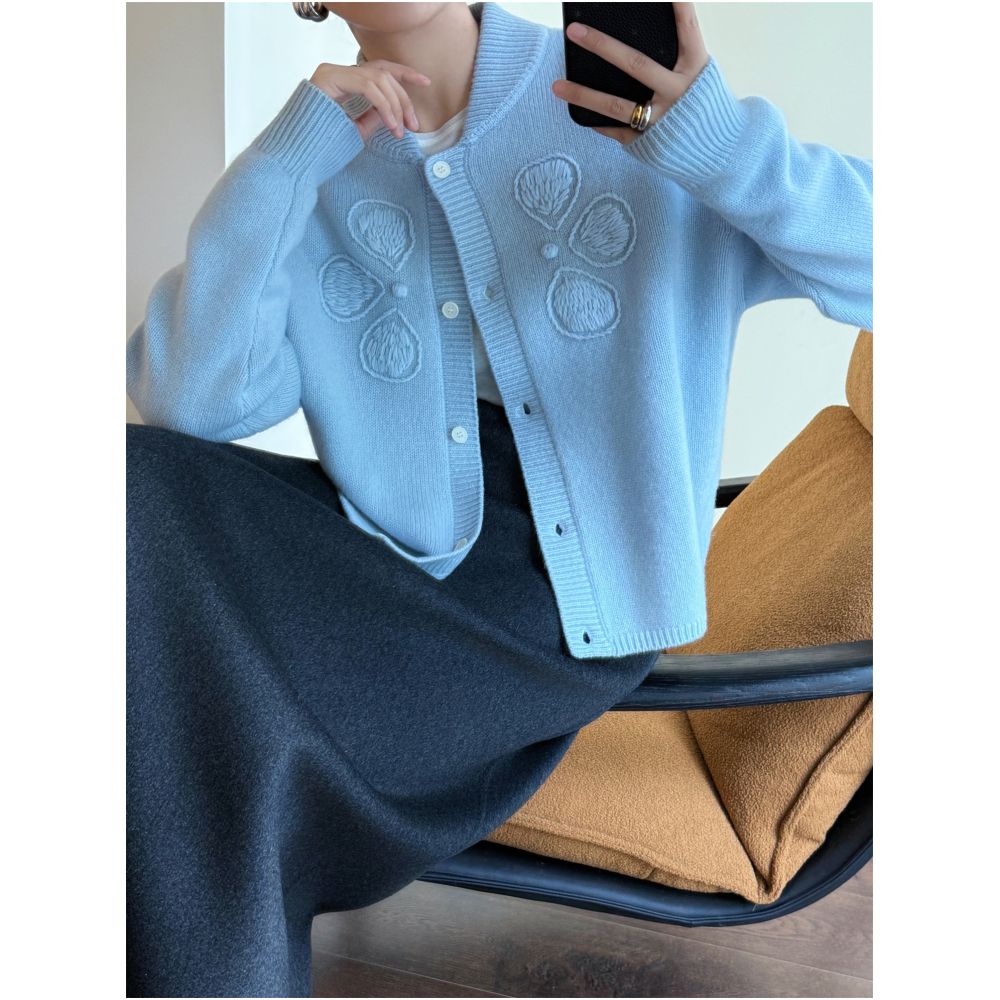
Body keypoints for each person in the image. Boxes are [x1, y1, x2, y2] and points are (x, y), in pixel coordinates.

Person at [125, 2, 872, 995]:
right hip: (384, 560)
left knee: (187, 705)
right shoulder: (317, 155)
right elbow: (191, 398)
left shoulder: (643, 116)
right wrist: (282, 162)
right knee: (128, 498)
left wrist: (720, 145)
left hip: (556, 598)